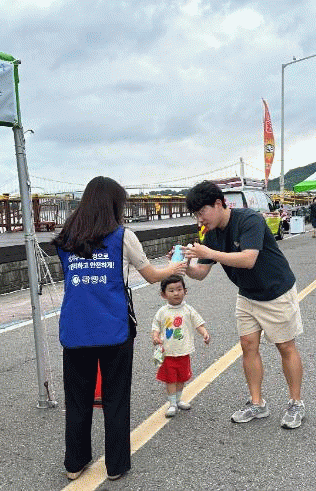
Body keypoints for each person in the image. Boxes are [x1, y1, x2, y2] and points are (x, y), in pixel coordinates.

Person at [53, 176, 187, 481]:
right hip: (114, 329)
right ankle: (115, 466)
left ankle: (75, 463)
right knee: (115, 397)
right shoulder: (123, 237)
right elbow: (152, 276)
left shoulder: (66, 239)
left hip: (75, 328)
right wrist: (175, 268)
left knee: (77, 399)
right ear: (114, 204)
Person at [182, 180, 305, 429]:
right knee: (248, 346)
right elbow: (201, 273)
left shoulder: (249, 220)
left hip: (276, 291)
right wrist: (185, 266)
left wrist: (209, 253)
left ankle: (296, 403)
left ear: (218, 204)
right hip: (247, 294)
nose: (200, 219)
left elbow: (249, 259)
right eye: (196, 214)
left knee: (285, 346)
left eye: (202, 211)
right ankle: (257, 403)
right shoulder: (211, 234)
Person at [152, 275, 210, 418]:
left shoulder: (188, 309)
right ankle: (172, 403)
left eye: (179, 289)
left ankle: (178, 400)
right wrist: (155, 337)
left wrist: (204, 333)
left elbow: (198, 323)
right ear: (163, 294)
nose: (176, 293)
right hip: (168, 353)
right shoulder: (162, 312)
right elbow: (156, 327)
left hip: (184, 351)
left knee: (182, 378)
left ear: (185, 291)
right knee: (171, 379)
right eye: (171, 290)